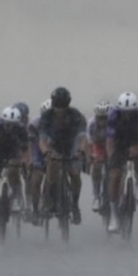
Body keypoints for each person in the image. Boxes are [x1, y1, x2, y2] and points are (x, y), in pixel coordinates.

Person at [39, 87, 87, 225]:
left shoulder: (76, 115)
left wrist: (81, 152)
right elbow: (42, 139)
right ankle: (48, 196)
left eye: (63, 106)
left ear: (68, 104)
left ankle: (75, 204)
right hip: (53, 144)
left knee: (75, 173)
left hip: (71, 144)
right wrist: (47, 152)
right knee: (52, 164)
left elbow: (83, 137)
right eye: (57, 106)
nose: (60, 110)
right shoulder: (47, 116)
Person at [105, 92, 138, 233]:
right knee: (115, 176)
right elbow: (110, 141)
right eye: (124, 112)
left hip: (135, 139)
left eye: (130, 112)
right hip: (119, 142)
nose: (127, 115)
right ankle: (113, 216)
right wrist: (112, 156)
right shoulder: (113, 115)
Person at [0, 107, 31, 231]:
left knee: (13, 172)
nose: (10, 128)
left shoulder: (21, 130)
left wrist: (25, 163)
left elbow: (26, 150)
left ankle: (15, 196)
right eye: (8, 125)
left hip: (13, 152)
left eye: (13, 125)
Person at [87, 101, 111, 213]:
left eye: (105, 118)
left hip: (112, 144)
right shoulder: (91, 124)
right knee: (96, 167)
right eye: (100, 118)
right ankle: (96, 196)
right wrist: (92, 157)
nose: (102, 121)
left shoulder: (114, 123)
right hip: (98, 145)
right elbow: (89, 143)